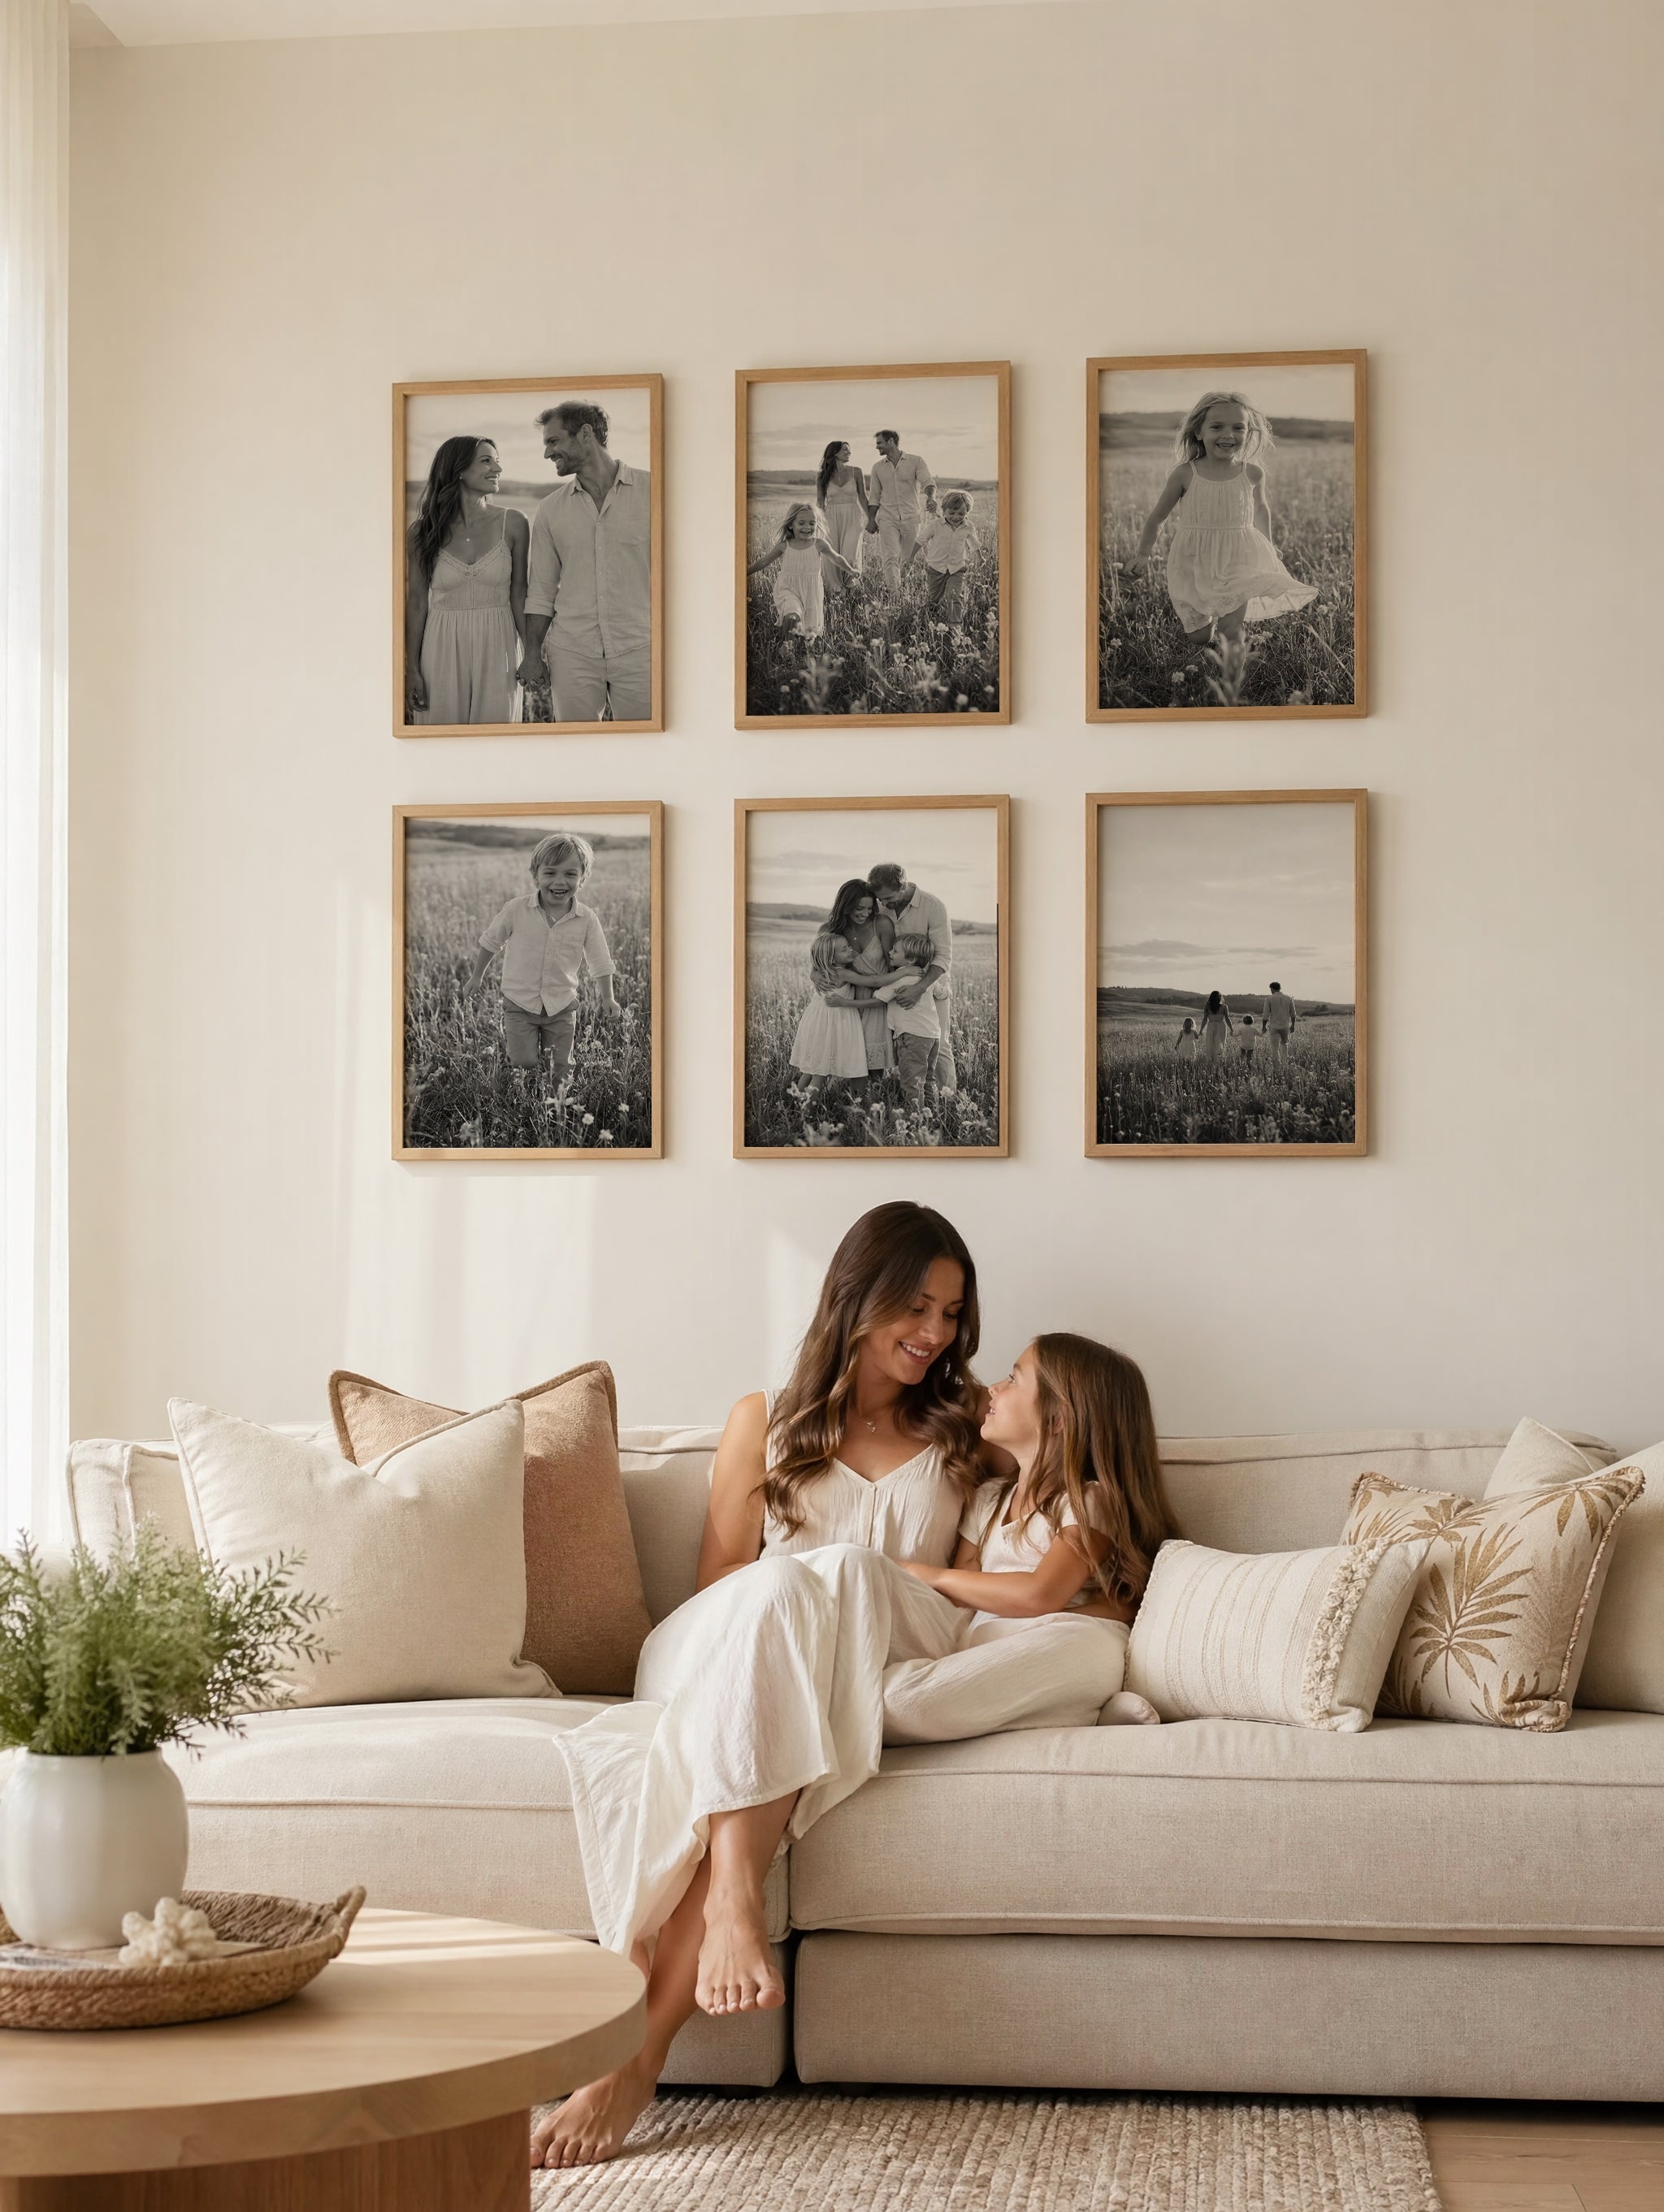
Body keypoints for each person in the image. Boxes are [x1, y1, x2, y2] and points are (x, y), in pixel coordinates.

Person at [535, 1206, 1142, 2169]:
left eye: (951, 1311)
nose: (936, 1332)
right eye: (915, 1304)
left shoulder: (961, 1431)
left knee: (833, 1602)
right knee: (783, 1587)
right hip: (720, 1649)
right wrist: (799, 1605)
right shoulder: (762, 1421)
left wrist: (1102, 1591)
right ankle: (733, 1898)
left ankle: (634, 2058)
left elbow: (1061, 1481)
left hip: (855, 1662)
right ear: (856, 1298)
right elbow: (720, 1586)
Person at [882, 1333, 1174, 1744]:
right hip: (991, 1648)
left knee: (900, 1702)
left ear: (1058, 1419)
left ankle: (1076, 1708)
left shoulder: (1088, 1500)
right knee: (898, 1679)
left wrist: (924, 1574)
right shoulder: (987, 1500)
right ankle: (1077, 1714)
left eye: (1013, 1379)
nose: (994, 1390)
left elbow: (1042, 1595)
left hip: (1063, 1638)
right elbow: (964, 1596)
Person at [1123, 391, 1316, 650]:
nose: (1228, 435)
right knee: (1199, 637)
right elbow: (1158, 517)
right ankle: (1208, 624)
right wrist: (1143, 554)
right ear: (1199, 432)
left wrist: (1269, 545)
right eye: (1217, 427)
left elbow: (1261, 510)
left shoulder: (1252, 473)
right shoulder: (1184, 474)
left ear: (1248, 433)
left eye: (1238, 427)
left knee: (1231, 628)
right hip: (1194, 558)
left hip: (1239, 555)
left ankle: (1233, 675)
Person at [519, 401, 652, 725]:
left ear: (585, 434)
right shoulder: (551, 510)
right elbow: (541, 590)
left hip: (644, 647)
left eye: (553, 441)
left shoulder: (655, 490)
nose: (548, 453)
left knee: (649, 749)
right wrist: (534, 653)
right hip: (572, 652)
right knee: (575, 751)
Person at [466, 832, 617, 1091]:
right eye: (550, 873)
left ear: (583, 878)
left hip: (562, 1005)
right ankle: (525, 1102)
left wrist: (608, 998)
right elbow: (491, 942)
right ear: (535, 875)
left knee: (560, 1066)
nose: (560, 881)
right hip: (519, 1002)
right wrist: (477, 975)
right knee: (522, 1061)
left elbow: (600, 960)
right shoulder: (516, 910)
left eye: (570, 874)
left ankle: (557, 1107)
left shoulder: (587, 919)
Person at [404, 436, 527, 725]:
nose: (497, 468)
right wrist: (412, 669)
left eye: (496, 460)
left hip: (499, 645)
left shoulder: (515, 523)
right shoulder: (423, 532)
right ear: (458, 470)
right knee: (439, 743)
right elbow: (418, 601)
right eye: (486, 460)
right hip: (441, 645)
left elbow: (520, 594)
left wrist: (532, 653)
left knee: (498, 744)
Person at [787, 881, 885, 1100]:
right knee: (826, 1063)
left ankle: (861, 1101)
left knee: (842, 1060)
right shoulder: (828, 931)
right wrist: (814, 975)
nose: (864, 914)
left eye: (870, 909)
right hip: (837, 1013)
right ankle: (851, 1105)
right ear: (845, 905)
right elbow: (817, 963)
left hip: (852, 1005)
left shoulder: (879, 925)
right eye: (859, 908)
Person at [868, 862, 957, 1091]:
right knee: (903, 1044)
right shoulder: (882, 907)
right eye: (879, 899)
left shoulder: (933, 906)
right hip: (895, 985)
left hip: (931, 984)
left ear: (903, 885)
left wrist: (919, 989)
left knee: (940, 1043)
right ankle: (914, 1093)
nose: (883, 903)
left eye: (887, 897)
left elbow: (943, 958)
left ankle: (948, 1101)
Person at [748, 503, 856, 642]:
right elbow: (764, 561)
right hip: (788, 588)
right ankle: (788, 644)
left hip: (810, 591)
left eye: (812, 523)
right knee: (792, 615)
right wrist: (745, 572)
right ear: (791, 525)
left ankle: (797, 640)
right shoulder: (784, 546)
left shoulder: (819, 544)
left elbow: (836, 558)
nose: (807, 527)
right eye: (801, 523)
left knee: (805, 628)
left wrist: (851, 570)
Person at [873, 930, 945, 1108]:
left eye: (895, 951)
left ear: (910, 959)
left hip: (912, 1037)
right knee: (928, 1079)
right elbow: (942, 992)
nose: (890, 952)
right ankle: (931, 1115)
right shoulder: (925, 977)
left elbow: (879, 997)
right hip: (932, 1036)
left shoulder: (901, 978)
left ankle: (916, 1122)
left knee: (911, 1082)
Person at [868, 428, 936, 591]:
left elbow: (928, 482)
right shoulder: (877, 468)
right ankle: (894, 592)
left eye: (880, 443)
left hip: (911, 517)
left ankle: (902, 585)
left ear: (891, 441)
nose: (877, 447)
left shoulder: (916, 461)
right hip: (887, 518)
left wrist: (931, 497)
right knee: (890, 556)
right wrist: (871, 519)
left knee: (907, 559)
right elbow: (874, 496)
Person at [908, 488, 976, 624]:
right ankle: (928, 618)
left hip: (957, 568)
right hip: (936, 568)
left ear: (967, 513)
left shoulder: (968, 526)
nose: (956, 517)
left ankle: (955, 625)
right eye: (952, 513)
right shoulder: (935, 525)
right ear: (944, 510)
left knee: (955, 596)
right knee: (934, 599)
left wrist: (980, 557)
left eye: (961, 514)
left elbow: (974, 542)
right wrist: (911, 557)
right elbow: (920, 540)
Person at [816, 439, 876, 591]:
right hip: (830, 518)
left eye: (849, 450)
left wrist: (871, 519)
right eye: (845, 450)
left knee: (850, 554)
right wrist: (818, 524)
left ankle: (851, 586)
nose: (849, 453)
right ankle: (837, 591)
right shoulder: (822, 476)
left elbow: (863, 498)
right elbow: (820, 503)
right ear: (835, 453)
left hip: (853, 517)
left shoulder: (856, 472)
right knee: (832, 555)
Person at [1197, 989, 1233, 1063]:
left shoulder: (1207, 1007)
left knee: (1210, 1043)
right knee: (1220, 1043)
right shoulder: (1224, 1007)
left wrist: (1201, 1030)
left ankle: (1211, 1061)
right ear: (1220, 998)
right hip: (1221, 1027)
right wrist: (1231, 1029)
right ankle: (1219, 1061)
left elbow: (1205, 1019)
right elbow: (1227, 1019)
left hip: (1211, 1026)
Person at [1263, 980, 1298, 1054]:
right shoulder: (1289, 998)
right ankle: (1284, 1064)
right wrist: (1293, 1025)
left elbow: (1265, 1015)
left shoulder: (1269, 999)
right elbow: (1293, 1014)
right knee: (1284, 1044)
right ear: (1280, 988)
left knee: (1274, 1048)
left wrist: (1263, 1027)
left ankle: (1276, 1065)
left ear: (1272, 989)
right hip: (1285, 1026)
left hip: (1274, 1026)